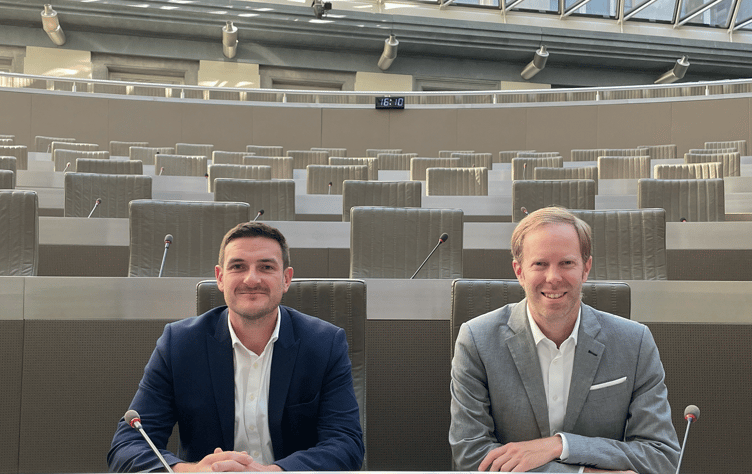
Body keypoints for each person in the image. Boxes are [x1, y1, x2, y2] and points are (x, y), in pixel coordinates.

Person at [108, 222, 364, 472]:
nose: (251, 279)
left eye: (266, 267)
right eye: (238, 266)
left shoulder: (325, 344)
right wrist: (190, 471)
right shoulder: (178, 344)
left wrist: (273, 472)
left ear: (286, 279)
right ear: (220, 278)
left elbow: (346, 444)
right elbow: (128, 445)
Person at [449, 207, 680, 473]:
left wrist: (561, 445)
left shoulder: (635, 342)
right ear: (519, 272)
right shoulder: (476, 340)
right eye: (540, 264)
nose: (553, 277)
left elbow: (661, 457)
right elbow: (472, 455)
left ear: (586, 269)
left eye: (567, 263)